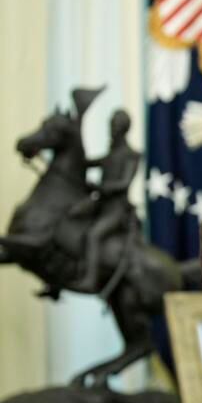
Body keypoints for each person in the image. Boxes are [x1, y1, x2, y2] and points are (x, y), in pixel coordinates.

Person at [71, 110, 140, 294]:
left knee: (94, 234)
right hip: (100, 205)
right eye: (111, 125)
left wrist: (101, 187)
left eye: (115, 126)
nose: (112, 129)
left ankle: (90, 280)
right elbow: (85, 163)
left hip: (116, 210)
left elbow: (124, 183)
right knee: (69, 220)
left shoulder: (131, 155)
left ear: (123, 129)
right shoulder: (110, 154)